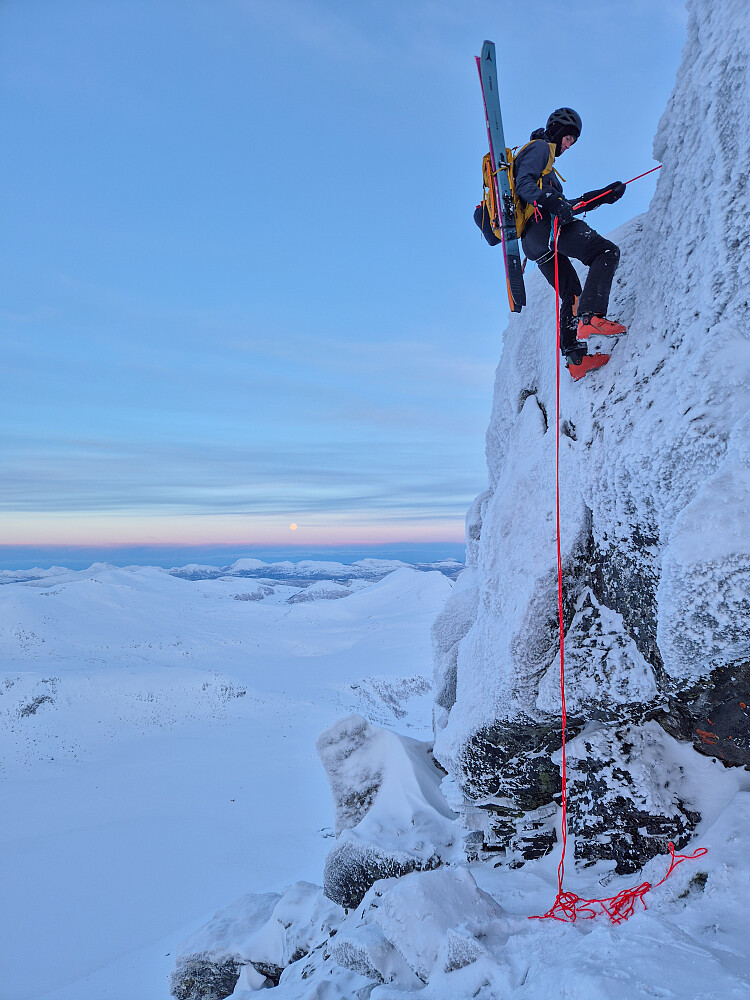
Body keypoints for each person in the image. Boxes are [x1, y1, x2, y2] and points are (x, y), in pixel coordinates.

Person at [513, 108, 626, 379]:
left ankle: (576, 358)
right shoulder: (540, 148)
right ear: (557, 129)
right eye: (568, 137)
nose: (569, 144)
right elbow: (523, 186)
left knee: (571, 292)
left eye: (573, 141)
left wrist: (602, 197)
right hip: (545, 227)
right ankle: (592, 316)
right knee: (605, 251)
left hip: (535, 243)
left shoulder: (547, 165)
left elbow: (566, 206)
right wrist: (549, 200)